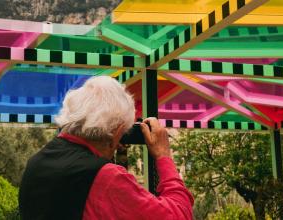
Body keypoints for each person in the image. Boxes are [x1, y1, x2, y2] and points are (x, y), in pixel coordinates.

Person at [19, 76, 194, 220]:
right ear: (117, 131)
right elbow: (179, 215)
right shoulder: (104, 177)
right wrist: (164, 156)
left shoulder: (36, 163)